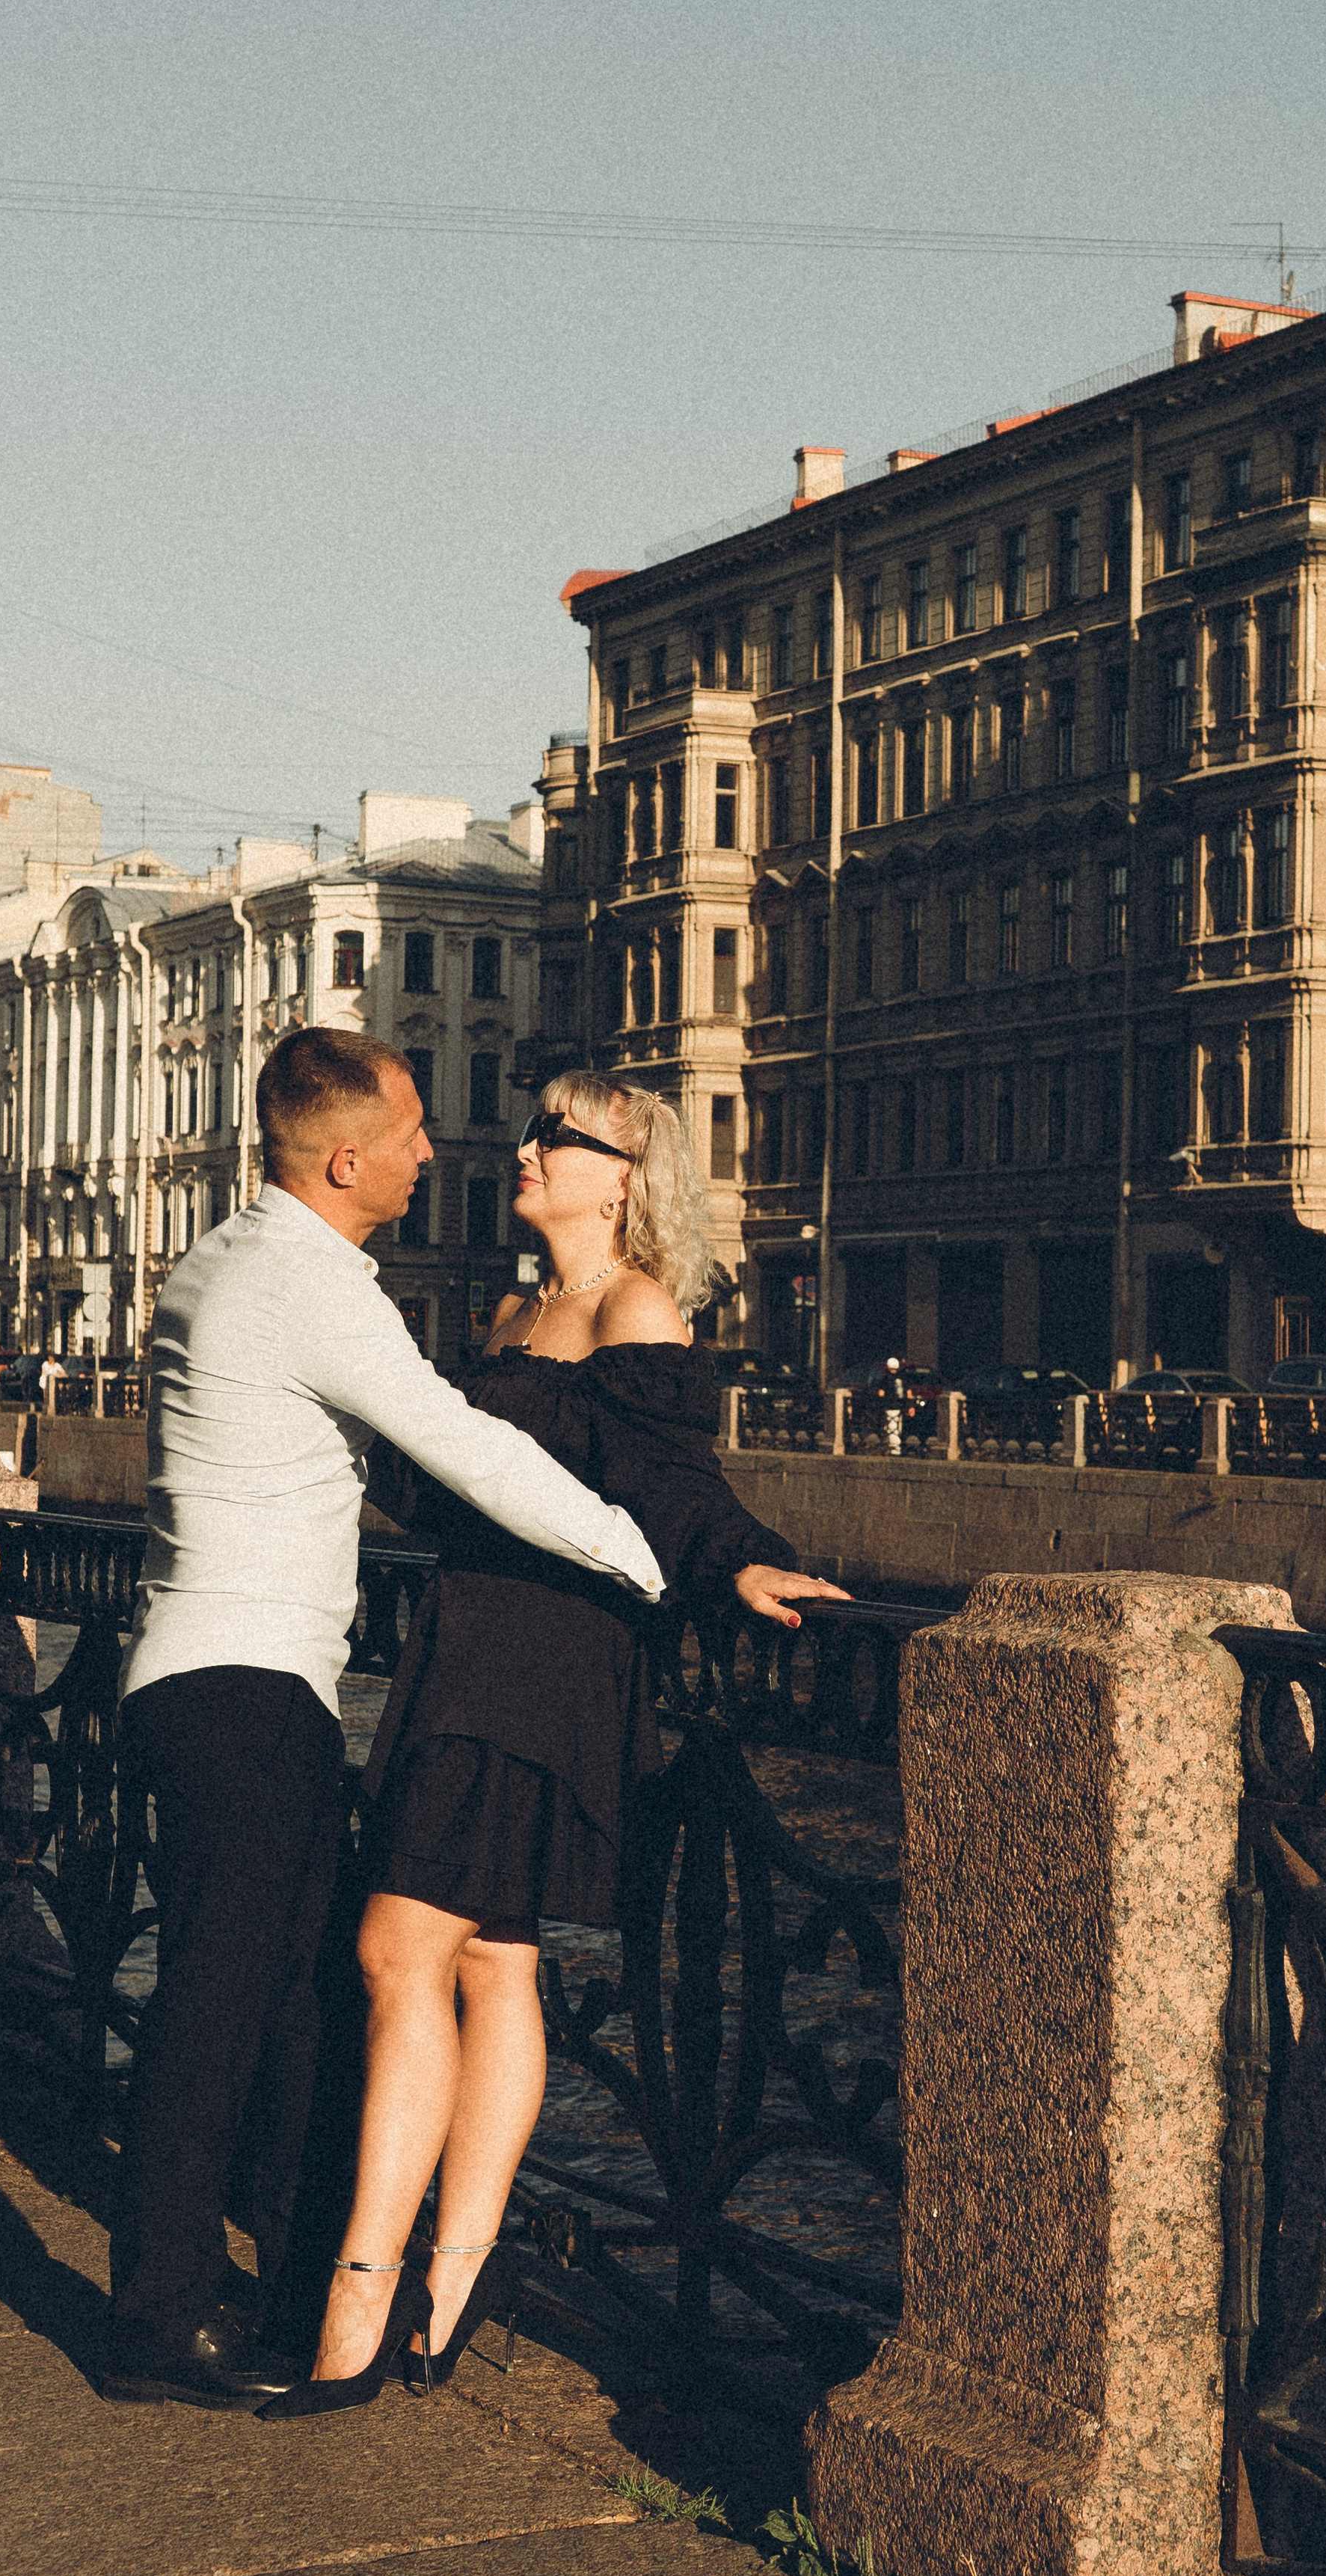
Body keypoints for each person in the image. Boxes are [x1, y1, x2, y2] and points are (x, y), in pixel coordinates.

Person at [261, 1073, 846, 2415]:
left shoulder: (636, 1310)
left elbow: (674, 1486)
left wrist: (745, 1563)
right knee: (491, 1958)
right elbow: (447, 1477)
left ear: (625, 1177)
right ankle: (456, 2285)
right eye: (531, 1128)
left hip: (553, 1664)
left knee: (394, 1947)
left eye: (556, 1138)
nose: (524, 1148)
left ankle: (366, 2290)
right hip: (467, 1644)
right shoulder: (515, 1310)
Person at [99, 1030, 663, 2411]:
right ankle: (158, 2320)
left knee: (295, 1998)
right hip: (246, 1690)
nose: (436, 1151)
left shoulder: (226, 1261)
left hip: (203, 1678)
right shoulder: (307, 1289)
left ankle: (295, 2284)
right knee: (221, 2010)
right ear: (346, 1160)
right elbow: (460, 1446)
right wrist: (642, 1557)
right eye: (413, 1132)